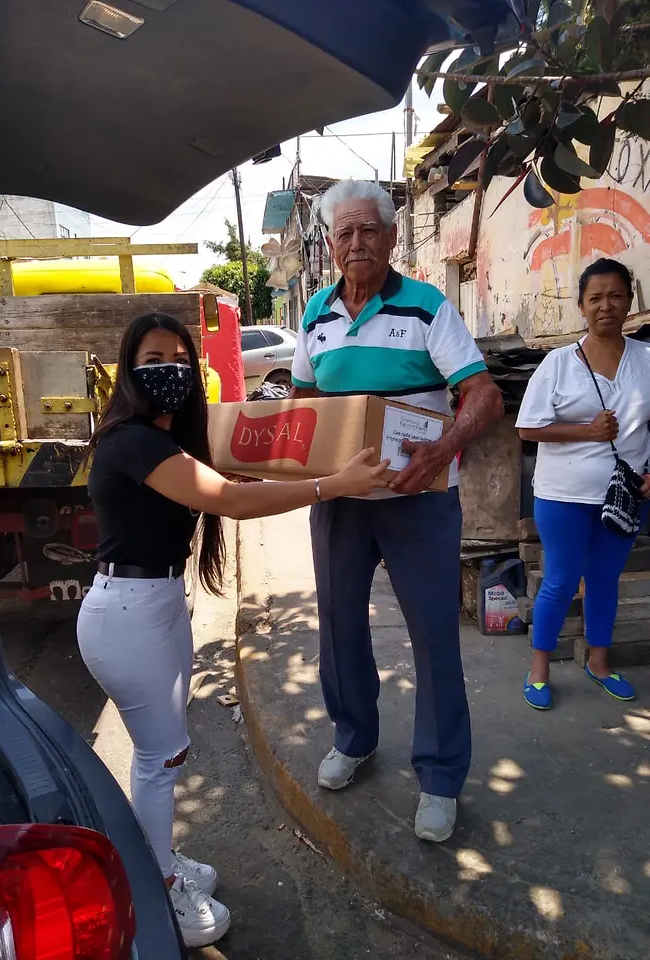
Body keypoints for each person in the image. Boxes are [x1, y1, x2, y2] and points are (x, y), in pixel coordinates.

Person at [76, 311, 389, 949]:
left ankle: (156, 861)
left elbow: (214, 489)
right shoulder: (133, 439)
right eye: (151, 359)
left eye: (177, 360)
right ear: (130, 371)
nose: (165, 371)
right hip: (131, 614)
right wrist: (335, 485)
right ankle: (155, 889)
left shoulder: (161, 444)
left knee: (156, 755)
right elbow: (227, 500)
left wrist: (247, 479)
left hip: (150, 603)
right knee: (161, 759)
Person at [290, 179, 504, 843]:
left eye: (368, 231)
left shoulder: (426, 307)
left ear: (388, 237)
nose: (356, 243)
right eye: (344, 233)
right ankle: (354, 738)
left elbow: (484, 396)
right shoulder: (317, 316)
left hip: (418, 499)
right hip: (342, 503)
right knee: (339, 627)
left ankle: (440, 775)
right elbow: (300, 404)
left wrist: (442, 450)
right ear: (330, 244)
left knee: (435, 634)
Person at [516, 258, 650, 710]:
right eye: (595, 298)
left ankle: (599, 662)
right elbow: (527, 429)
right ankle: (539, 667)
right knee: (559, 580)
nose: (605, 306)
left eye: (615, 296)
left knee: (605, 580)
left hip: (624, 496)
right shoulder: (558, 364)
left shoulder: (646, 360)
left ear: (629, 302)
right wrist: (585, 432)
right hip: (563, 497)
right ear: (581, 306)